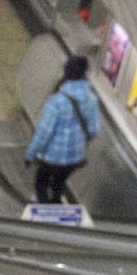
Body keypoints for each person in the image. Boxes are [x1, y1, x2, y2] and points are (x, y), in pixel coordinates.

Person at [24, 54, 102, 204]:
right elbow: (94, 130)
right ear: (85, 75)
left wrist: (30, 155)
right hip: (75, 158)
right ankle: (56, 201)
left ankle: (44, 208)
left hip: (52, 159)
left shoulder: (57, 101)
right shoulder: (92, 99)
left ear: (66, 74)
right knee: (59, 183)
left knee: (41, 183)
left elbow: (43, 134)